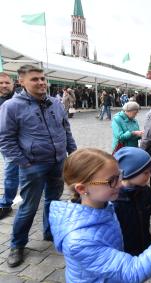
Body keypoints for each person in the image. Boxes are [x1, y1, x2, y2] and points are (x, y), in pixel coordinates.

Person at [48, 148, 151, 282]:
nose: (121, 184)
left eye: (120, 176)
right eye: (112, 181)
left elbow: (146, 208)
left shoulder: (104, 205)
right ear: (82, 189)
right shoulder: (79, 241)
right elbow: (133, 271)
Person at [0, 65, 77, 267]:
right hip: (32, 166)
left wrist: (73, 154)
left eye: (43, 78)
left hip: (58, 163)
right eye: (35, 79)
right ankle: (17, 245)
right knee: (28, 207)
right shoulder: (11, 107)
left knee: (54, 200)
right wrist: (24, 162)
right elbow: (6, 140)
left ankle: (49, 232)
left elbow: (66, 129)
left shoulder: (55, 103)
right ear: (21, 82)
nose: (41, 82)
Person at [113, 147, 151, 255]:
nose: (150, 176)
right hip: (126, 253)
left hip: (145, 246)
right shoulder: (115, 202)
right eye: (146, 173)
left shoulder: (143, 190)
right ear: (129, 173)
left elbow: (148, 207)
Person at [0, 73, 19, 219]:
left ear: (13, 84)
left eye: (7, 83)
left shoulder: (21, 99)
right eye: (1, 83)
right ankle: (6, 204)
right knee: (11, 174)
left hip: (25, 142)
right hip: (7, 144)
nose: (4, 85)